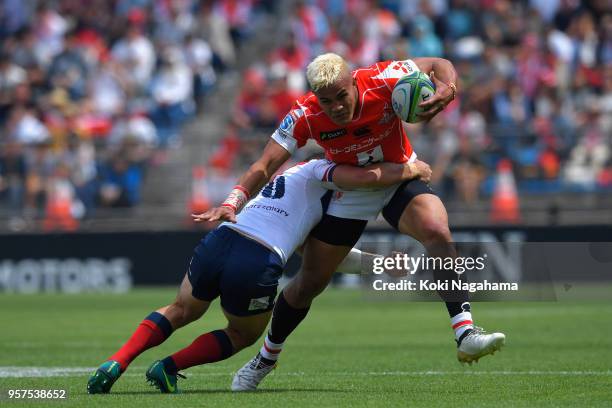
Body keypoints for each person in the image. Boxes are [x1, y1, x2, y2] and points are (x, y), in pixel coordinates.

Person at [196, 53, 506, 392]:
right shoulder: (305, 114)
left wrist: (448, 87)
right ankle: (265, 358)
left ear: (353, 83)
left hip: (400, 174)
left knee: (436, 231)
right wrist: (234, 199)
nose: (336, 107)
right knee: (310, 282)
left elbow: (437, 62)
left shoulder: (383, 78)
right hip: (352, 190)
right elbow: (265, 164)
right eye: (327, 101)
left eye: (342, 96)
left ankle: (465, 332)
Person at [87, 157, 431, 394]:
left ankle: (116, 362)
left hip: (221, 238)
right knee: (243, 334)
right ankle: (169, 366)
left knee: (180, 309)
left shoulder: (291, 178)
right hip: (256, 257)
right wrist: (379, 262)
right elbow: (324, 260)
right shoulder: (326, 179)